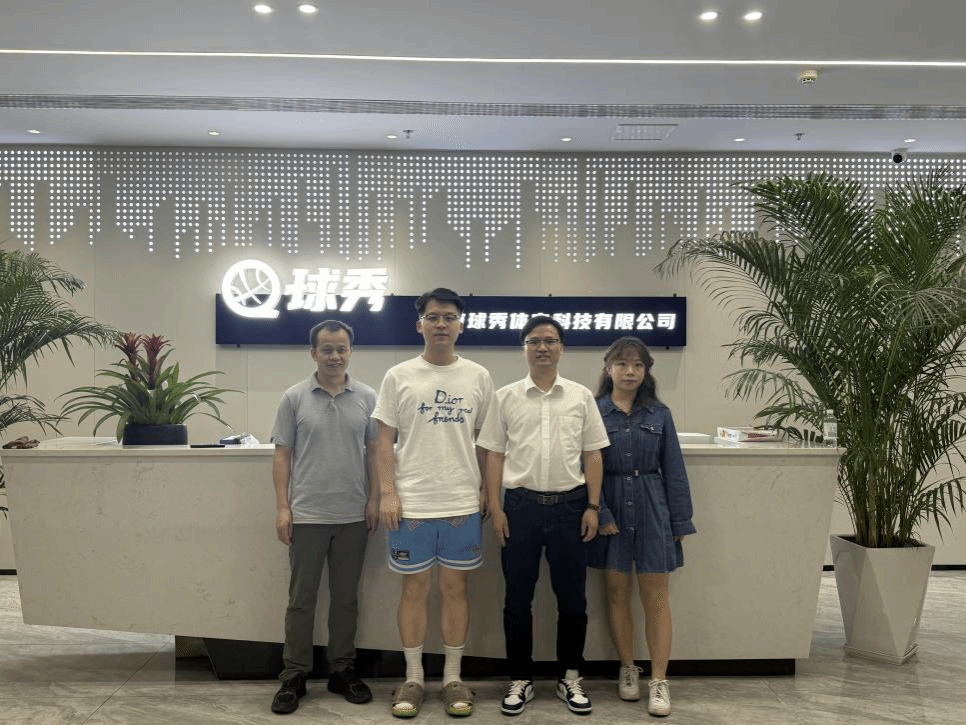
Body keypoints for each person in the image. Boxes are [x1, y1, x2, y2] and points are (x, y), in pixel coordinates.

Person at [479, 315, 610, 717]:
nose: (542, 347)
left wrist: (592, 507)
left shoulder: (580, 396)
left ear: (561, 348)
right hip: (520, 508)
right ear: (524, 348)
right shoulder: (506, 397)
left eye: (550, 341)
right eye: (534, 341)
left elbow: (593, 454)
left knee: (573, 600)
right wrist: (497, 508)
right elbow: (494, 455)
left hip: (572, 508)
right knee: (517, 600)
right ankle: (520, 678)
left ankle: (570, 676)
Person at [373, 287, 495, 719]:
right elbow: (383, 441)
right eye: (433, 317)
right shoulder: (399, 376)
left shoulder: (478, 376)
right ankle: (413, 679)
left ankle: (452, 679)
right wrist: (388, 491)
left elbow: (487, 442)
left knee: (455, 589)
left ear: (460, 325)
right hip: (411, 505)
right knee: (415, 589)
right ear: (419, 324)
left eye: (448, 317)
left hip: (462, 503)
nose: (441, 324)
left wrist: (486, 490)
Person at [269, 319, 378, 715]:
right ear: (313, 353)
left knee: (346, 600)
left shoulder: (368, 397)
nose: (335, 356)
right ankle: (294, 675)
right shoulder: (294, 398)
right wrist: (283, 507)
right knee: (301, 601)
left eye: (341, 349)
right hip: (307, 516)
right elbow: (282, 455)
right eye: (327, 349)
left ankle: (341, 670)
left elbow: (375, 454)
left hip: (353, 515)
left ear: (351, 352)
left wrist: (375, 499)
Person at [586, 336, 696, 718]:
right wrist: (600, 513)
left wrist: (679, 519)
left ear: (646, 370)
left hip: (653, 508)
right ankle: (628, 668)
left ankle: (659, 680)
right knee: (617, 595)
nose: (630, 371)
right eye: (622, 364)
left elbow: (675, 470)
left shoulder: (659, 414)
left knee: (656, 598)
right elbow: (584, 466)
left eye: (637, 365)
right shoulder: (594, 412)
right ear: (608, 368)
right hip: (612, 507)